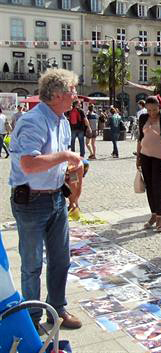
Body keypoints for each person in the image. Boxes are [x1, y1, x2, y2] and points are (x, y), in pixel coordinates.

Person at [8, 68, 83, 332]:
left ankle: (57, 308)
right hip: (30, 202)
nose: (75, 95)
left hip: (55, 199)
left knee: (61, 259)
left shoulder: (61, 119)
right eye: (72, 91)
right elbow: (28, 163)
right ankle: (31, 318)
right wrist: (64, 157)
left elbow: (52, 160)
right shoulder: (32, 120)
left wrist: (70, 171)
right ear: (58, 94)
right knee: (32, 264)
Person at [136, 95, 161, 232]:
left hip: (159, 157)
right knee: (149, 186)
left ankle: (160, 216)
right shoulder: (143, 118)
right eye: (149, 110)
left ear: (159, 107)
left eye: (154, 109)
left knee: (157, 186)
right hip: (145, 156)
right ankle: (153, 214)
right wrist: (138, 156)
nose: (151, 112)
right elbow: (140, 137)